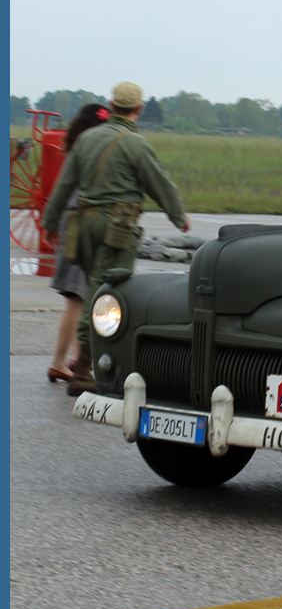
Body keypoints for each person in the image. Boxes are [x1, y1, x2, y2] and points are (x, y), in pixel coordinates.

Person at [42, 82, 191, 396]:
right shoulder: (136, 144)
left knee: (92, 292)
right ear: (138, 109)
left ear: (111, 105)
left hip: (83, 227)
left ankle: (91, 364)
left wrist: (51, 223)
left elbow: (64, 186)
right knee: (103, 297)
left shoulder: (85, 139)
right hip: (116, 230)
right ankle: (84, 371)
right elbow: (159, 184)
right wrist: (179, 217)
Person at [45, 104, 108, 383]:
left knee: (79, 299)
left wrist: (51, 223)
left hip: (71, 223)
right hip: (79, 225)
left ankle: (72, 358)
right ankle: (60, 361)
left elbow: (61, 189)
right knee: (77, 298)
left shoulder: (77, 147)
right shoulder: (91, 149)